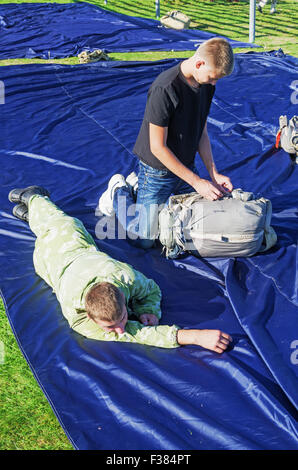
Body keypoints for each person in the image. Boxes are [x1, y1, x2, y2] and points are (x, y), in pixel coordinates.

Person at [8, 185, 232, 353]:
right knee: (55, 224)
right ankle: (34, 197)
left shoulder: (124, 276)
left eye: (123, 318)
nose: (121, 329)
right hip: (51, 258)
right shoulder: (79, 319)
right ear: (90, 317)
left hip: (73, 248)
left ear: (124, 300)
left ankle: (34, 209)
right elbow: (138, 336)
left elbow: (151, 289)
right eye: (110, 326)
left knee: (53, 224)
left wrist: (149, 309)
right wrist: (193, 336)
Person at [99, 37, 234, 249]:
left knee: (195, 223)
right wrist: (197, 182)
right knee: (145, 240)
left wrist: (213, 173)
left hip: (186, 166)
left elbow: (202, 132)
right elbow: (157, 147)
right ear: (199, 64)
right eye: (212, 78)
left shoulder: (205, 85)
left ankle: (138, 188)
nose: (214, 83)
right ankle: (119, 192)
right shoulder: (164, 88)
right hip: (157, 171)